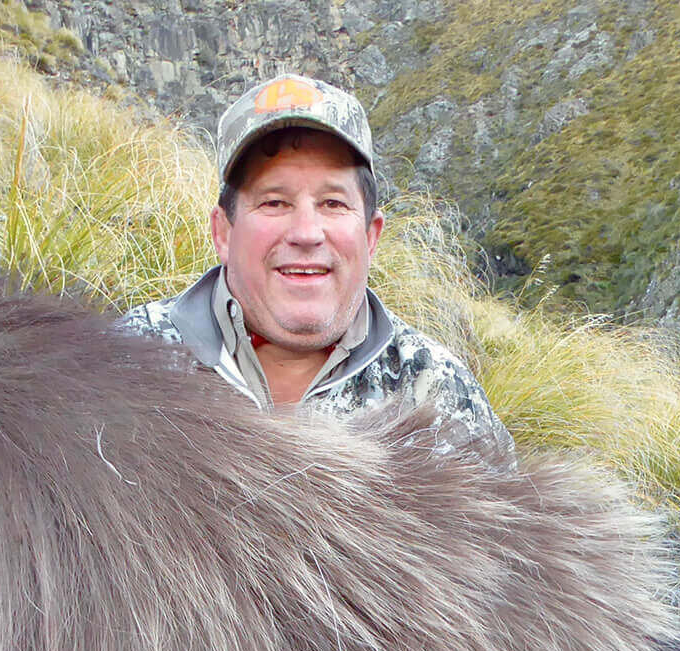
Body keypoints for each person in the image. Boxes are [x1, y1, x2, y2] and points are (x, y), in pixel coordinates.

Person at [123, 73, 512, 452]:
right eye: (274, 202)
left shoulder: (435, 388)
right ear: (223, 232)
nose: (307, 233)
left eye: (333, 203)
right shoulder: (128, 361)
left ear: (370, 236)